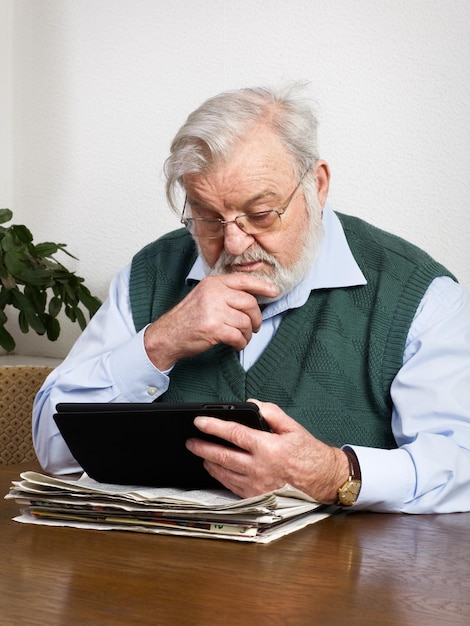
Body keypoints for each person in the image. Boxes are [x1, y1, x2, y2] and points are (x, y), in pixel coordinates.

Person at [33, 84, 470, 513]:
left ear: (317, 186)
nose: (235, 244)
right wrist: (158, 344)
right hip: (163, 574)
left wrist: (337, 474)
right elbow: (56, 450)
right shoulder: (148, 274)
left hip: (345, 576)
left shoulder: (418, 295)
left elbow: (460, 463)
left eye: (260, 214)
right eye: (207, 217)